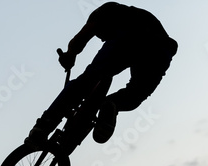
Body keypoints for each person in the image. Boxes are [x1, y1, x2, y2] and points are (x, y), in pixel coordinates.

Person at [26, 2, 178, 145]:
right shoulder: (128, 13)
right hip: (162, 51)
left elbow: (79, 40)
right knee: (135, 94)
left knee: (87, 80)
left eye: (101, 37)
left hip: (131, 35)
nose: (101, 40)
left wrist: (70, 55)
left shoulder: (104, 13)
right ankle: (112, 104)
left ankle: (43, 127)